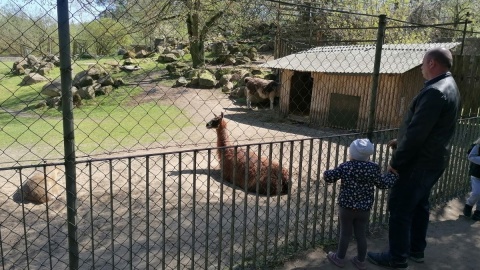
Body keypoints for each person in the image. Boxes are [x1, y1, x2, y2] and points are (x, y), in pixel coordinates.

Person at [367, 47, 461, 269]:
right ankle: (416, 249)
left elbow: (418, 133)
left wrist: (396, 162)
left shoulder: (434, 91)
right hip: (434, 159)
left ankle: (396, 257)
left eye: (422, 63)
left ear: (431, 63)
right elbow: (430, 128)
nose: (420, 67)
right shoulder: (451, 86)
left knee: (400, 207)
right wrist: (401, 141)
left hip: (419, 163)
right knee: (419, 205)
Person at [324, 138, 398, 270]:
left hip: (346, 207)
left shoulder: (346, 166)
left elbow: (330, 177)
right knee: (361, 234)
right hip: (364, 209)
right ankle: (360, 260)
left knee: (345, 233)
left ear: (351, 153)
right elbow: (383, 184)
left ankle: (340, 258)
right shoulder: (373, 168)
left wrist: (326, 172)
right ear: (369, 155)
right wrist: (392, 175)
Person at [463, 137, 480, 221]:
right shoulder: (477, 145)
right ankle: (468, 205)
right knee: (477, 192)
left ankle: (478, 211)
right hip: (477, 174)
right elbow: (470, 156)